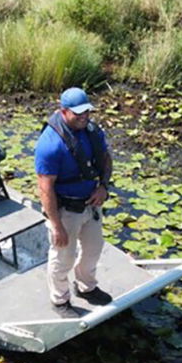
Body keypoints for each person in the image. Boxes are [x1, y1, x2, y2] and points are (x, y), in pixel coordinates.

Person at [35, 87, 114, 316]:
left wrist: (103, 187)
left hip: (91, 204)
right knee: (63, 257)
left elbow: (106, 160)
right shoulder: (50, 145)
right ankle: (59, 300)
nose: (83, 117)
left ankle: (86, 287)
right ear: (63, 111)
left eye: (86, 112)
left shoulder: (92, 131)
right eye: (77, 114)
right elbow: (45, 188)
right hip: (65, 210)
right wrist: (57, 225)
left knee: (93, 248)